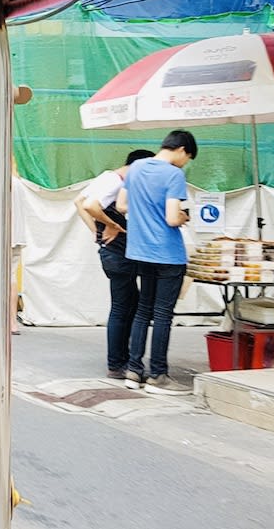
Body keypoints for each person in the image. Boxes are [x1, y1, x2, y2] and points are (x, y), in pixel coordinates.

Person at [116, 130, 197, 395]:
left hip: (140, 251)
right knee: (163, 314)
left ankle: (133, 370)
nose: (185, 163)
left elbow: (121, 205)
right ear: (182, 150)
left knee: (142, 311)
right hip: (167, 253)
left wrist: (143, 209)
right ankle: (158, 374)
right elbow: (173, 218)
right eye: (188, 158)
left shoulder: (137, 167)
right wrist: (183, 217)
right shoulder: (174, 175)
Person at [74, 148, 155, 379]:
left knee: (126, 304)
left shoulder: (107, 176)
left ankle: (121, 360)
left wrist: (97, 232)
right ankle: (118, 363)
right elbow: (90, 206)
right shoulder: (116, 182)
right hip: (119, 254)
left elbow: (79, 202)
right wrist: (112, 225)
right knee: (123, 307)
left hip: (112, 252)